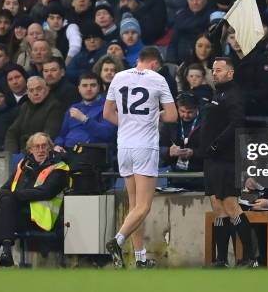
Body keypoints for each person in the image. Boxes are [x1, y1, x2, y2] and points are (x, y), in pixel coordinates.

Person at [103, 47, 177, 269]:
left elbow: (107, 113)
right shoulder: (158, 79)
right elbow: (172, 115)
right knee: (143, 206)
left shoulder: (118, 76)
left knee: (134, 205)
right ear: (155, 64)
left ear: (139, 60)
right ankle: (117, 241)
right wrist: (153, 116)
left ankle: (140, 258)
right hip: (145, 147)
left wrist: (129, 122)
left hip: (123, 147)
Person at [200, 56, 257, 267]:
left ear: (230, 73)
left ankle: (251, 257)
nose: (215, 73)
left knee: (231, 205)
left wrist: (216, 144)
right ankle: (222, 259)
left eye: (219, 70)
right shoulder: (219, 93)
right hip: (212, 160)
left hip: (226, 158)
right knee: (218, 207)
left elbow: (236, 123)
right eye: (213, 70)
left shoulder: (234, 95)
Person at [0, 132, 69, 268]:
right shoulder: (24, 165)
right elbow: (5, 189)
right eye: (37, 147)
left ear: (50, 148)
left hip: (42, 220)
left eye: (44, 146)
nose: (41, 150)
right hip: (21, 215)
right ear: (31, 150)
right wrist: (9, 197)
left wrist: (15, 196)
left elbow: (46, 192)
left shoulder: (59, 167)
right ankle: (3, 253)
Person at [54, 72, 116, 152]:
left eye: (93, 85)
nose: (89, 89)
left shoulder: (107, 107)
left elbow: (106, 134)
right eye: (84, 85)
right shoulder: (74, 108)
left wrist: (85, 120)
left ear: (99, 88)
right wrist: (58, 145)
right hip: (68, 152)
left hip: (92, 154)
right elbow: (62, 135)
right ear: (79, 88)